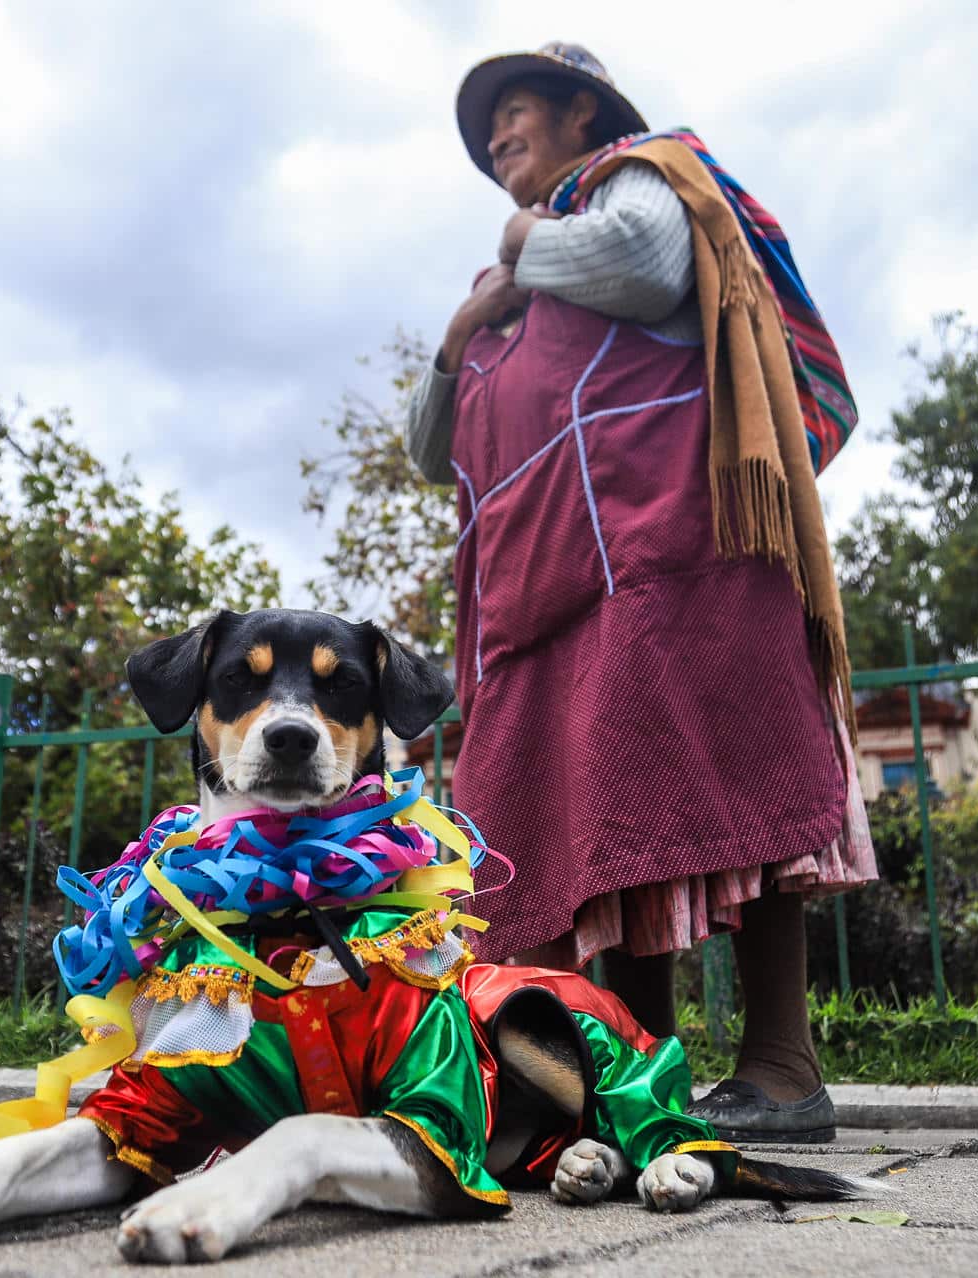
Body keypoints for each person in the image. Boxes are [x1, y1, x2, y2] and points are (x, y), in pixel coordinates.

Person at [405, 42, 877, 1143]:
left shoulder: (639, 180)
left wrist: (524, 241)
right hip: (547, 593)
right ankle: (637, 1078)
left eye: (514, 113)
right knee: (600, 830)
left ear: (584, 115)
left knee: (734, 789)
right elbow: (436, 452)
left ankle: (781, 1067)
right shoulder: (509, 292)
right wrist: (455, 339)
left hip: (677, 555)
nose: (495, 141)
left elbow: (646, 269)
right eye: (486, 135)